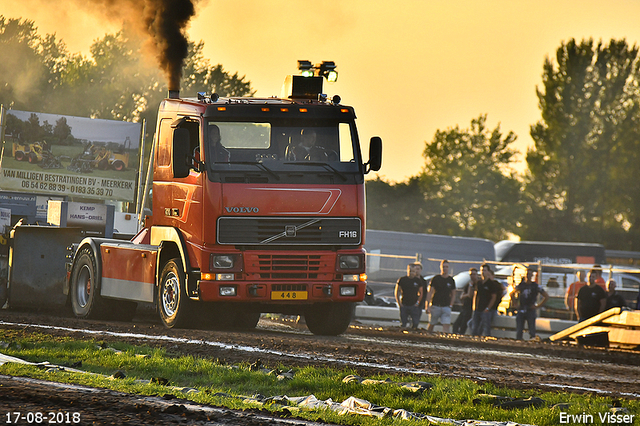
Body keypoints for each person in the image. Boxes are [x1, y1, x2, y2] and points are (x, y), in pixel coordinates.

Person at [511, 267, 549, 340]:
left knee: (532, 331)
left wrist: (538, 306)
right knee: (519, 330)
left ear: (532, 276)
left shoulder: (535, 286)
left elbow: (546, 296)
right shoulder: (521, 285)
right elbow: (512, 293)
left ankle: (532, 343)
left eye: (530, 274)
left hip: (530, 309)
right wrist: (515, 303)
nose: (528, 276)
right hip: (521, 309)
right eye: (527, 274)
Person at [425, 260, 457, 333]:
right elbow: (430, 292)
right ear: (440, 267)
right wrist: (428, 305)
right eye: (443, 267)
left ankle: (445, 340)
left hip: (446, 306)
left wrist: (451, 305)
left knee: (446, 325)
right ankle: (427, 337)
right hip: (436, 305)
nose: (445, 268)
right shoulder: (436, 279)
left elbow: (453, 294)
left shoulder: (451, 280)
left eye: (446, 267)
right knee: (432, 323)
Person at [471, 263, 502, 336]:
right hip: (477, 309)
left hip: (485, 310)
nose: (483, 272)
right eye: (482, 270)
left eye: (484, 270)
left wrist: (488, 308)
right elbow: (475, 294)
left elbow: (493, 297)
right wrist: (474, 306)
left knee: (486, 328)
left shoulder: (491, 284)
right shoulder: (478, 283)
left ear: (488, 272)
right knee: (474, 328)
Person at [394, 263, 424, 329]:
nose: (411, 273)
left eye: (413, 271)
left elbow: (421, 292)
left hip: (414, 305)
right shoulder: (402, 280)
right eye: (410, 271)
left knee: (415, 323)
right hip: (404, 304)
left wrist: (417, 303)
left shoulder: (418, 281)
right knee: (403, 323)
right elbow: (397, 291)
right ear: (407, 270)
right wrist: (399, 302)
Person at [452, 267, 477, 335]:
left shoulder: (476, 285)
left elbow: (470, 295)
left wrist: (471, 287)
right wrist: (466, 293)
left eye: (474, 274)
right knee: (456, 324)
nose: (472, 276)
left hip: (470, 309)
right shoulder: (467, 285)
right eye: (471, 274)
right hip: (464, 307)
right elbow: (461, 296)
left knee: (463, 325)